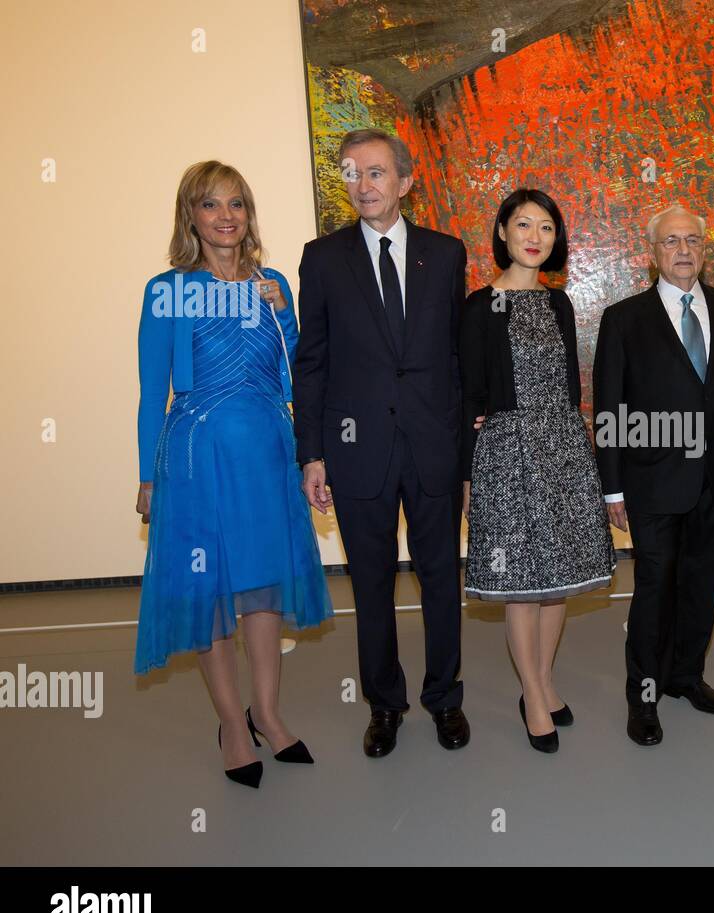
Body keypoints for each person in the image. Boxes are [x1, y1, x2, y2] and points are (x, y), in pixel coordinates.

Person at [135, 160, 333, 788]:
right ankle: (230, 724)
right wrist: (147, 477)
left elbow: (300, 369)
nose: (226, 216)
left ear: (249, 214)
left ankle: (268, 715)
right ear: (189, 215)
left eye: (237, 204)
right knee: (211, 592)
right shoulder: (168, 289)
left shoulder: (273, 282)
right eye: (211, 205)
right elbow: (151, 393)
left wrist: (284, 312)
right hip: (197, 460)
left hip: (267, 455)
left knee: (262, 587)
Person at [293, 128, 469, 758]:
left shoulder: (446, 255)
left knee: (440, 578)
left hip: (432, 446)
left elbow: (455, 356)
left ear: (405, 180)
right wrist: (312, 453)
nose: (361, 185)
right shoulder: (322, 258)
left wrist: (463, 446)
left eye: (374, 173)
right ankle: (385, 705)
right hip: (354, 447)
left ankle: (445, 699)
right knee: (371, 584)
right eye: (351, 173)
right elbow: (310, 362)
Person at [460, 189, 615, 753]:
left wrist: (577, 451)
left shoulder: (560, 304)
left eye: (545, 227)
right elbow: (470, 393)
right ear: (502, 232)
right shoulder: (480, 307)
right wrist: (472, 473)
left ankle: (544, 681)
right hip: (507, 451)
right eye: (522, 224)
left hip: (563, 448)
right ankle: (531, 694)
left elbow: (572, 388)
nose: (534, 236)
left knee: (558, 586)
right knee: (523, 586)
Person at [593, 204, 714, 746]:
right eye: (670, 242)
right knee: (655, 586)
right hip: (651, 481)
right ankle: (643, 695)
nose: (682, 250)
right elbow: (610, 410)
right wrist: (611, 487)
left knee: (702, 584)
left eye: (692, 240)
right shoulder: (624, 319)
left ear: (704, 249)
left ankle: (686, 676)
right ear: (652, 252)